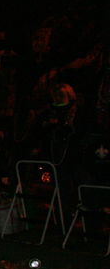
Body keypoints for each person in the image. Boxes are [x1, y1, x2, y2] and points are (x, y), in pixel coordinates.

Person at [41, 83, 85, 218]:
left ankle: (82, 215)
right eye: (55, 96)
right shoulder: (49, 112)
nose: (58, 99)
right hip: (56, 155)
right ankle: (62, 215)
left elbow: (78, 131)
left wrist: (65, 130)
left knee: (79, 186)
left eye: (61, 96)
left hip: (73, 155)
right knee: (60, 188)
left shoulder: (76, 111)